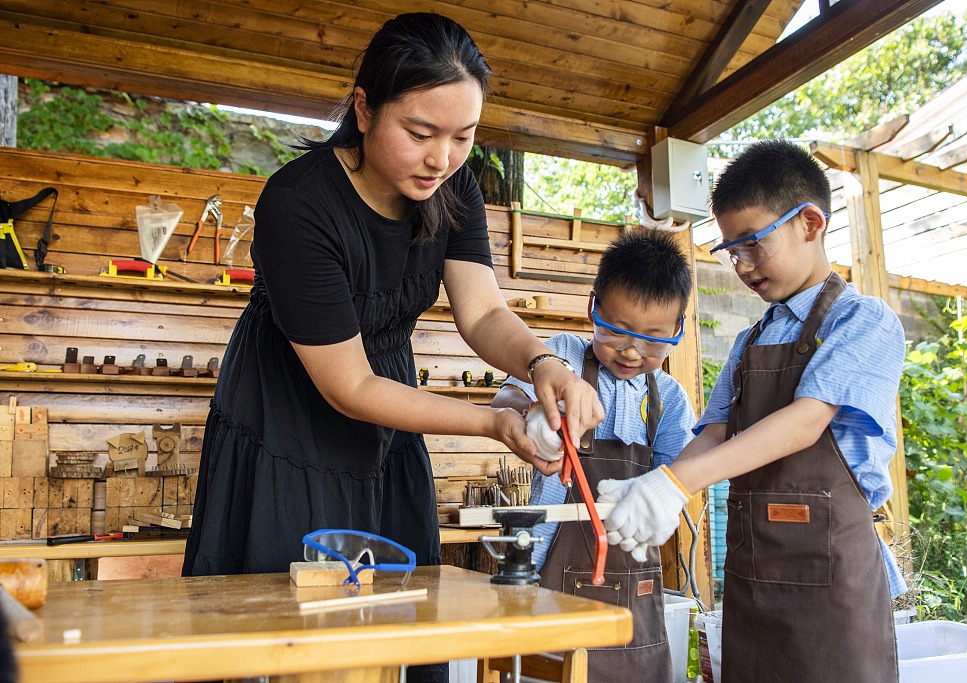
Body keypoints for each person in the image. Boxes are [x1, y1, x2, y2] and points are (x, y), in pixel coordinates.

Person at [182, 12, 603, 682]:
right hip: (289, 417)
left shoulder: (453, 187)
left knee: (398, 617)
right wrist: (495, 420)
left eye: (462, 136)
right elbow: (347, 385)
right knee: (287, 630)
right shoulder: (298, 204)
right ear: (365, 108)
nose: (442, 157)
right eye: (420, 133)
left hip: (387, 415)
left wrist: (542, 361)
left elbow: (484, 310)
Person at [597, 140, 907, 682]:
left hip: (833, 583)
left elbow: (807, 421)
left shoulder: (863, 321)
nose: (740, 265)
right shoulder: (749, 342)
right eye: (729, 250)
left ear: (810, 222)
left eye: (752, 244)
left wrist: (674, 482)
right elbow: (716, 433)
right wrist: (656, 487)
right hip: (754, 577)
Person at [492, 228, 697, 683]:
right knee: (547, 666)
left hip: (632, 572)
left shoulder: (669, 398)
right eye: (616, 331)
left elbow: (680, 475)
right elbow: (502, 401)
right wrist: (532, 415)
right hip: (550, 562)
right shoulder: (558, 357)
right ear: (592, 307)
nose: (630, 350)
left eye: (652, 339)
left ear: (678, 330)